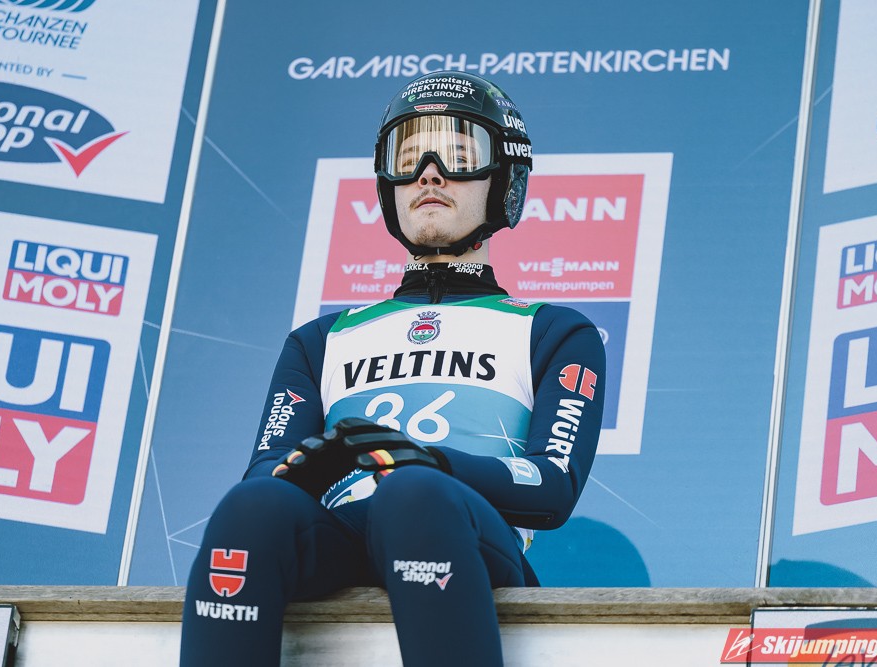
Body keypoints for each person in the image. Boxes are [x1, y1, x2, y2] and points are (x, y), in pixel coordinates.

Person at [180, 71, 606, 666]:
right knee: (250, 509)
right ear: (388, 186)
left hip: (461, 535)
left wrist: (427, 461)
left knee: (414, 495)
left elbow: (552, 486)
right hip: (340, 536)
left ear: (505, 177)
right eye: (407, 159)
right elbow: (263, 477)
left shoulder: (554, 330)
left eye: (459, 155)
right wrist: (309, 470)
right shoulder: (320, 339)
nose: (429, 173)